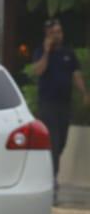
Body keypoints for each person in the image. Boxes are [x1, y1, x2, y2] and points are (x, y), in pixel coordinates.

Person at [32, 18, 89, 186]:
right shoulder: (40, 52)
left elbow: (76, 74)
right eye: (54, 33)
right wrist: (46, 52)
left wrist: (84, 92)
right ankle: (52, 177)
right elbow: (38, 70)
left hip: (64, 105)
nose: (58, 35)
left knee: (62, 142)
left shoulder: (68, 53)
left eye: (59, 32)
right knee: (54, 142)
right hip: (48, 105)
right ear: (47, 35)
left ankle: (49, 172)